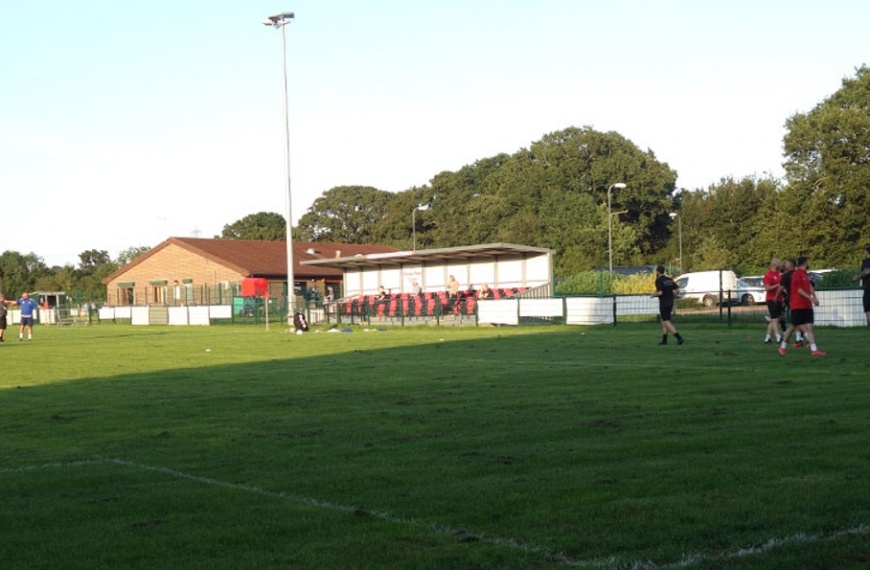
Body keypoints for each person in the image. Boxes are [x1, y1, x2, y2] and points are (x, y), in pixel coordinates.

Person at [779, 257, 825, 356]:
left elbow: (809, 286)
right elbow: (799, 290)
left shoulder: (805, 274)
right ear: (805, 263)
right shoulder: (796, 274)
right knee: (792, 327)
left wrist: (815, 297)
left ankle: (814, 349)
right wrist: (811, 298)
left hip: (807, 305)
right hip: (798, 305)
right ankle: (782, 346)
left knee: (810, 327)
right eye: (808, 262)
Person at [651, 265, 685, 346]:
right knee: (663, 320)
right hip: (670, 302)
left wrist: (653, 295)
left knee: (666, 321)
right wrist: (673, 296)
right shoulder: (669, 279)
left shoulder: (659, 280)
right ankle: (664, 340)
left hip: (664, 302)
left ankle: (679, 338)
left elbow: (660, 292)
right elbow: (677, 290)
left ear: (658, 272)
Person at [779, 258, 804, 347]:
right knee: (797, 321)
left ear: (790, 265)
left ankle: (809, 340)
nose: (785, 265)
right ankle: (798, 340)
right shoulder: (799, 273)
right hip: (802, 298)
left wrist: (776, 296)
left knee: (797, 321)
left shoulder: (786, 275)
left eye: (786, 263)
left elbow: (781, 287)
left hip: (793, 300)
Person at [762, 257, 783, 344]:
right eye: (779, 263)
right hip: (771, 299)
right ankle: (778, 337)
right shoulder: (768, 275)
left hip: (779, 299)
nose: (781, 265)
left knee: (774, 319)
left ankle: (767, 338)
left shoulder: (778, 274)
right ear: (775, 264)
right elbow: (767, 288)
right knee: (775, 319)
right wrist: (777, 285)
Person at [851, 244, 870, 326]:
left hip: (868, 287)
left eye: (865, 252)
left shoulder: (867, 261)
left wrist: (857, 277)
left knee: (868, 306)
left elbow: (867, 271)